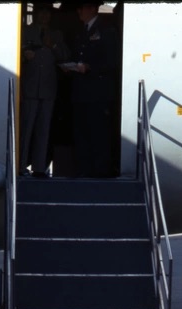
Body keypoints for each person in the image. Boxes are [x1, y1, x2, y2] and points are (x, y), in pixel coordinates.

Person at [67, 2, 119, 178]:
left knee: (98, 134)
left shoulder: (106, 30)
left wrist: (89, 68)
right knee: (82, 134)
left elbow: (112, 61)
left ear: (92, 8)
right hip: (81, 93)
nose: (79, 10)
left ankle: (100, 173)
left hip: (98, 93)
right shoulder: (82, 30)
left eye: (82, 7)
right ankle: (84, 171)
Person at [20, 2, 69, 178]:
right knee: (26, 129)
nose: (45, 16)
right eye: (42, 12)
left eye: (48, 13)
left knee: (44, 129)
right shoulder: (25, 31)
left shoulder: (56, 34)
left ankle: (39, 167)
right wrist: (24, 55)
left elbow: (65, 57)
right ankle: (21, 165)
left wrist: (53, 45)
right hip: (29, 88)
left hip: (48, 90)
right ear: (37, 13)